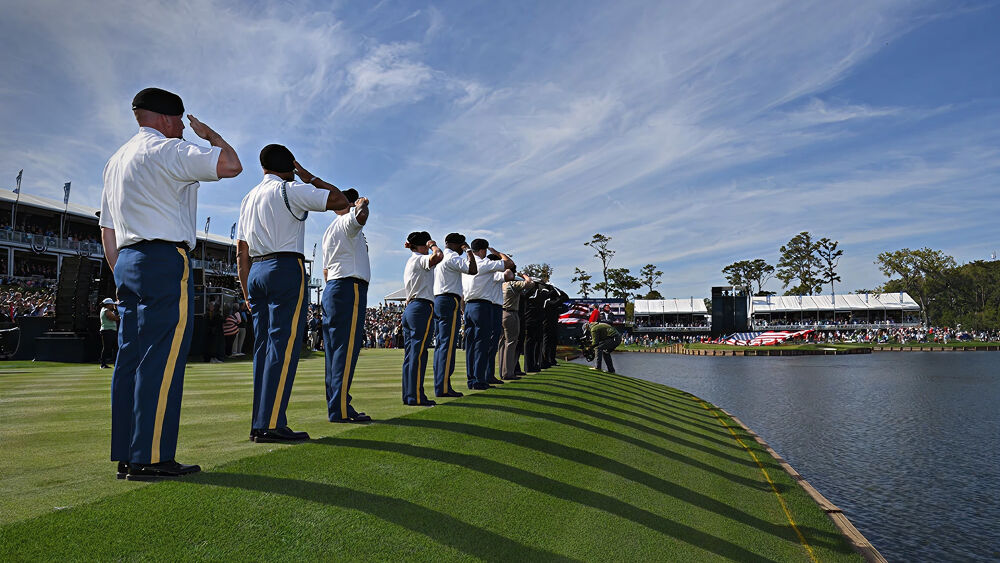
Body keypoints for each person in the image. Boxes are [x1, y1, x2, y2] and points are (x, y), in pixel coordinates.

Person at [100, 87, 242, 480]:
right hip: (163, 258)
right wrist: (209, 135)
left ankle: (129, 454)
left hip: (126, 261)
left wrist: (120, 272)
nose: (182, 127)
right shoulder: (169, 149)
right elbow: (231, 165)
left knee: (129, 359)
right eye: (179, 120)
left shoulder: (115, 161)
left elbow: (107, 231)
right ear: (165, 119)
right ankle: (154, 456)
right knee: (161, 359)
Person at [236, 144, 350, 443]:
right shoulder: (292, 189)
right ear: (291, 166)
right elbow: (340, 200)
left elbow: (241, 251)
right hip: (284, 266)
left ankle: (260, 421)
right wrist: (307, 176)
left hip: (256, 271)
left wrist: (246, 288)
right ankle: (271, 423)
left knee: (262, 349)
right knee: (283, 348)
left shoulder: (248, 197)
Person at [321, 188, 372, 423]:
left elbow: (324, 270)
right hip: (348, 286)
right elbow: (360, 217)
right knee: (345, 350)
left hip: (333, 286)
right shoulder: (346, 221)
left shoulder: (329, 230)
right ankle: (339, 408)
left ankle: (338, 404)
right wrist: (363, 204)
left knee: (334, 352)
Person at [461, 239, 513, 390]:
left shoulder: (466, 264)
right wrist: (496, 253)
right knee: (481, 345)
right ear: (483, 250)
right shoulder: (484, 263)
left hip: (469, 305)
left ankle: (471, 379)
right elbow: (509, 264)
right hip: (481, 305)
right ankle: (479, 380)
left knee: (470, 346)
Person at [401, 231, 444, 406]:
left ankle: (410, 395)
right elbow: (438, 256)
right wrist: (433, 245)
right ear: (421, 246)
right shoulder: (419, 259)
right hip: (421, 306)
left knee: (411, 355)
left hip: (412, 307)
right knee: (418, 354)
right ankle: (416, 396)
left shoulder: (411, 260)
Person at [432, 233, 476, 397]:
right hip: (449, 300)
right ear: (457, 245)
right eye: (461, 244)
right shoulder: (452, 258)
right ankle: (443, 387)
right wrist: (468, 250)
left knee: (441, 345)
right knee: (447, 345)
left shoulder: (442, 259)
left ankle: (441, 384)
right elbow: (473, 269)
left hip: (439, 299)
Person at [500, 269, 534, 380]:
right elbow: (530, 284)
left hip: (500, 312)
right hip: (511, 312)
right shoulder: (513, 284)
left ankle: (502, 371)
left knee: (502, 344)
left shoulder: (500, 284)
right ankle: (508, 372)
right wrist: (523, 275)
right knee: (511, 343)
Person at [99, 297, 119, 369]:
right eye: (111, 304)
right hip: (107, 331)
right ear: (107, 305)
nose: (113, 305)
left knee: (115, 348)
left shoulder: (107, 310)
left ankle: (115, 363)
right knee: (107, 348)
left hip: (110, 331)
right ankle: (103, 364)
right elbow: (114, 318)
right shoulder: (106, 310)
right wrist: (120, 315)